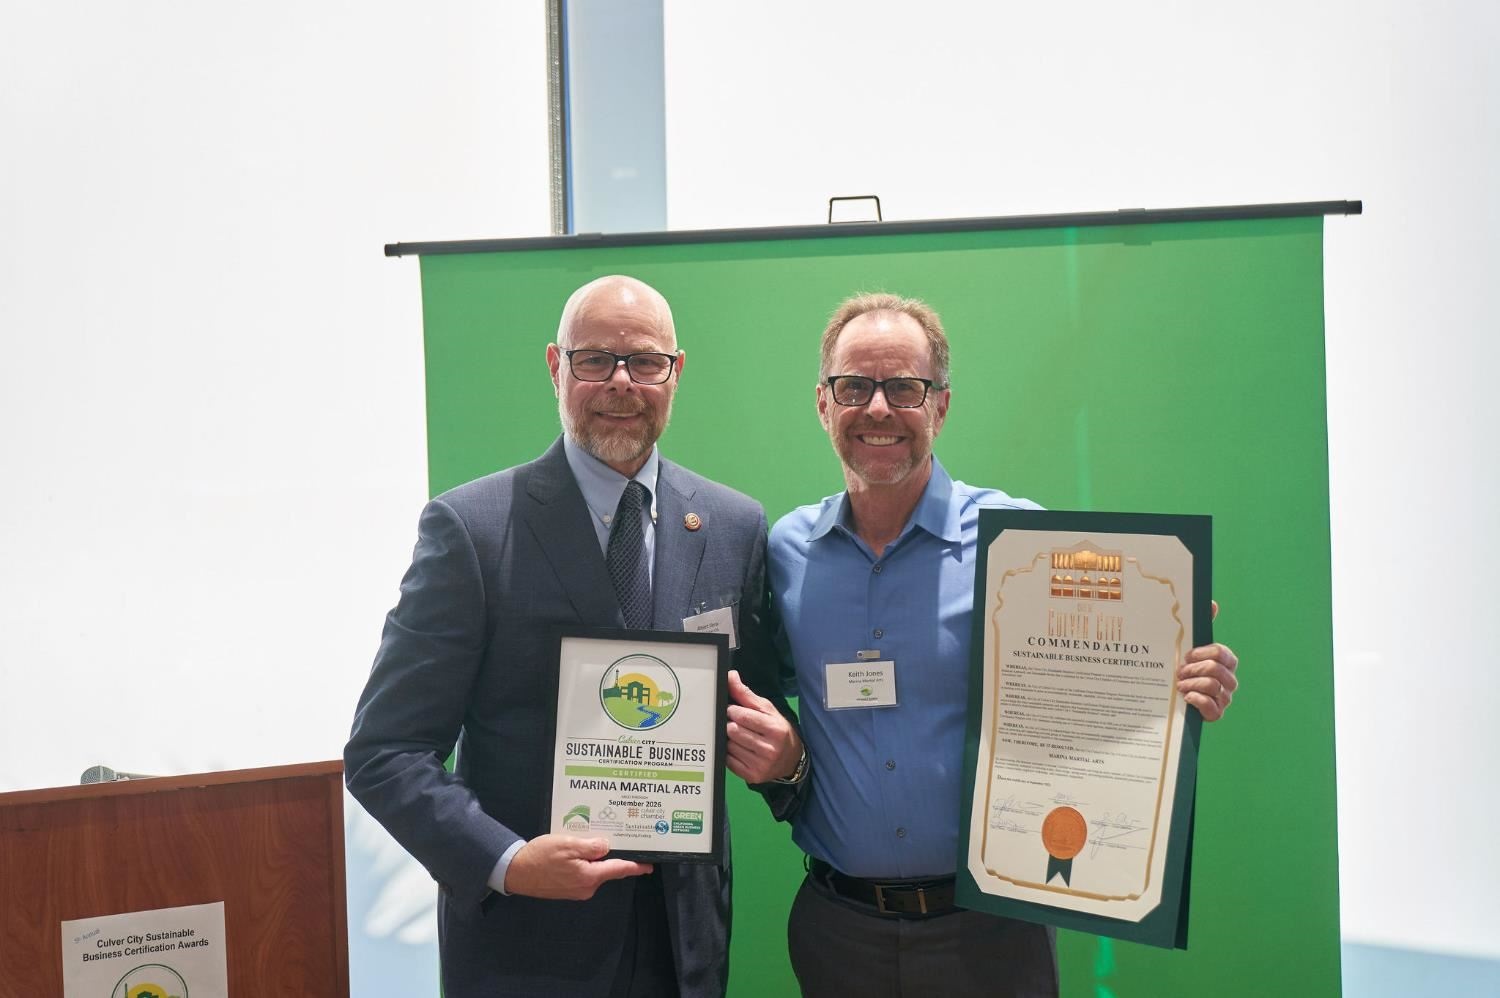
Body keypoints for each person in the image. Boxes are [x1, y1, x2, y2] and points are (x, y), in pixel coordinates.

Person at [724, 292, 1241, 998]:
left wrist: (1178, 683)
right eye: (855, 387)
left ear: (939, 405)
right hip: (837, 931)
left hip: (993, 936)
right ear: (823, 403)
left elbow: (1094, 687)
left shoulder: (1024, 545)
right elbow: (767, 710)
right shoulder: (786, 551)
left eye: (904, 387)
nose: (878, 409)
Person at [345, 275, 785, 998]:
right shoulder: (473, 531)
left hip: (685, 946)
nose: (620, 381)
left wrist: (784, 754)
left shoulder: (733, 527)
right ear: (556, 367)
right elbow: (385, 751)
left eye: (644, 361)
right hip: (528, 947)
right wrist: (509, 861)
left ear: (676, 373)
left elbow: (756, 702)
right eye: (594, 360)